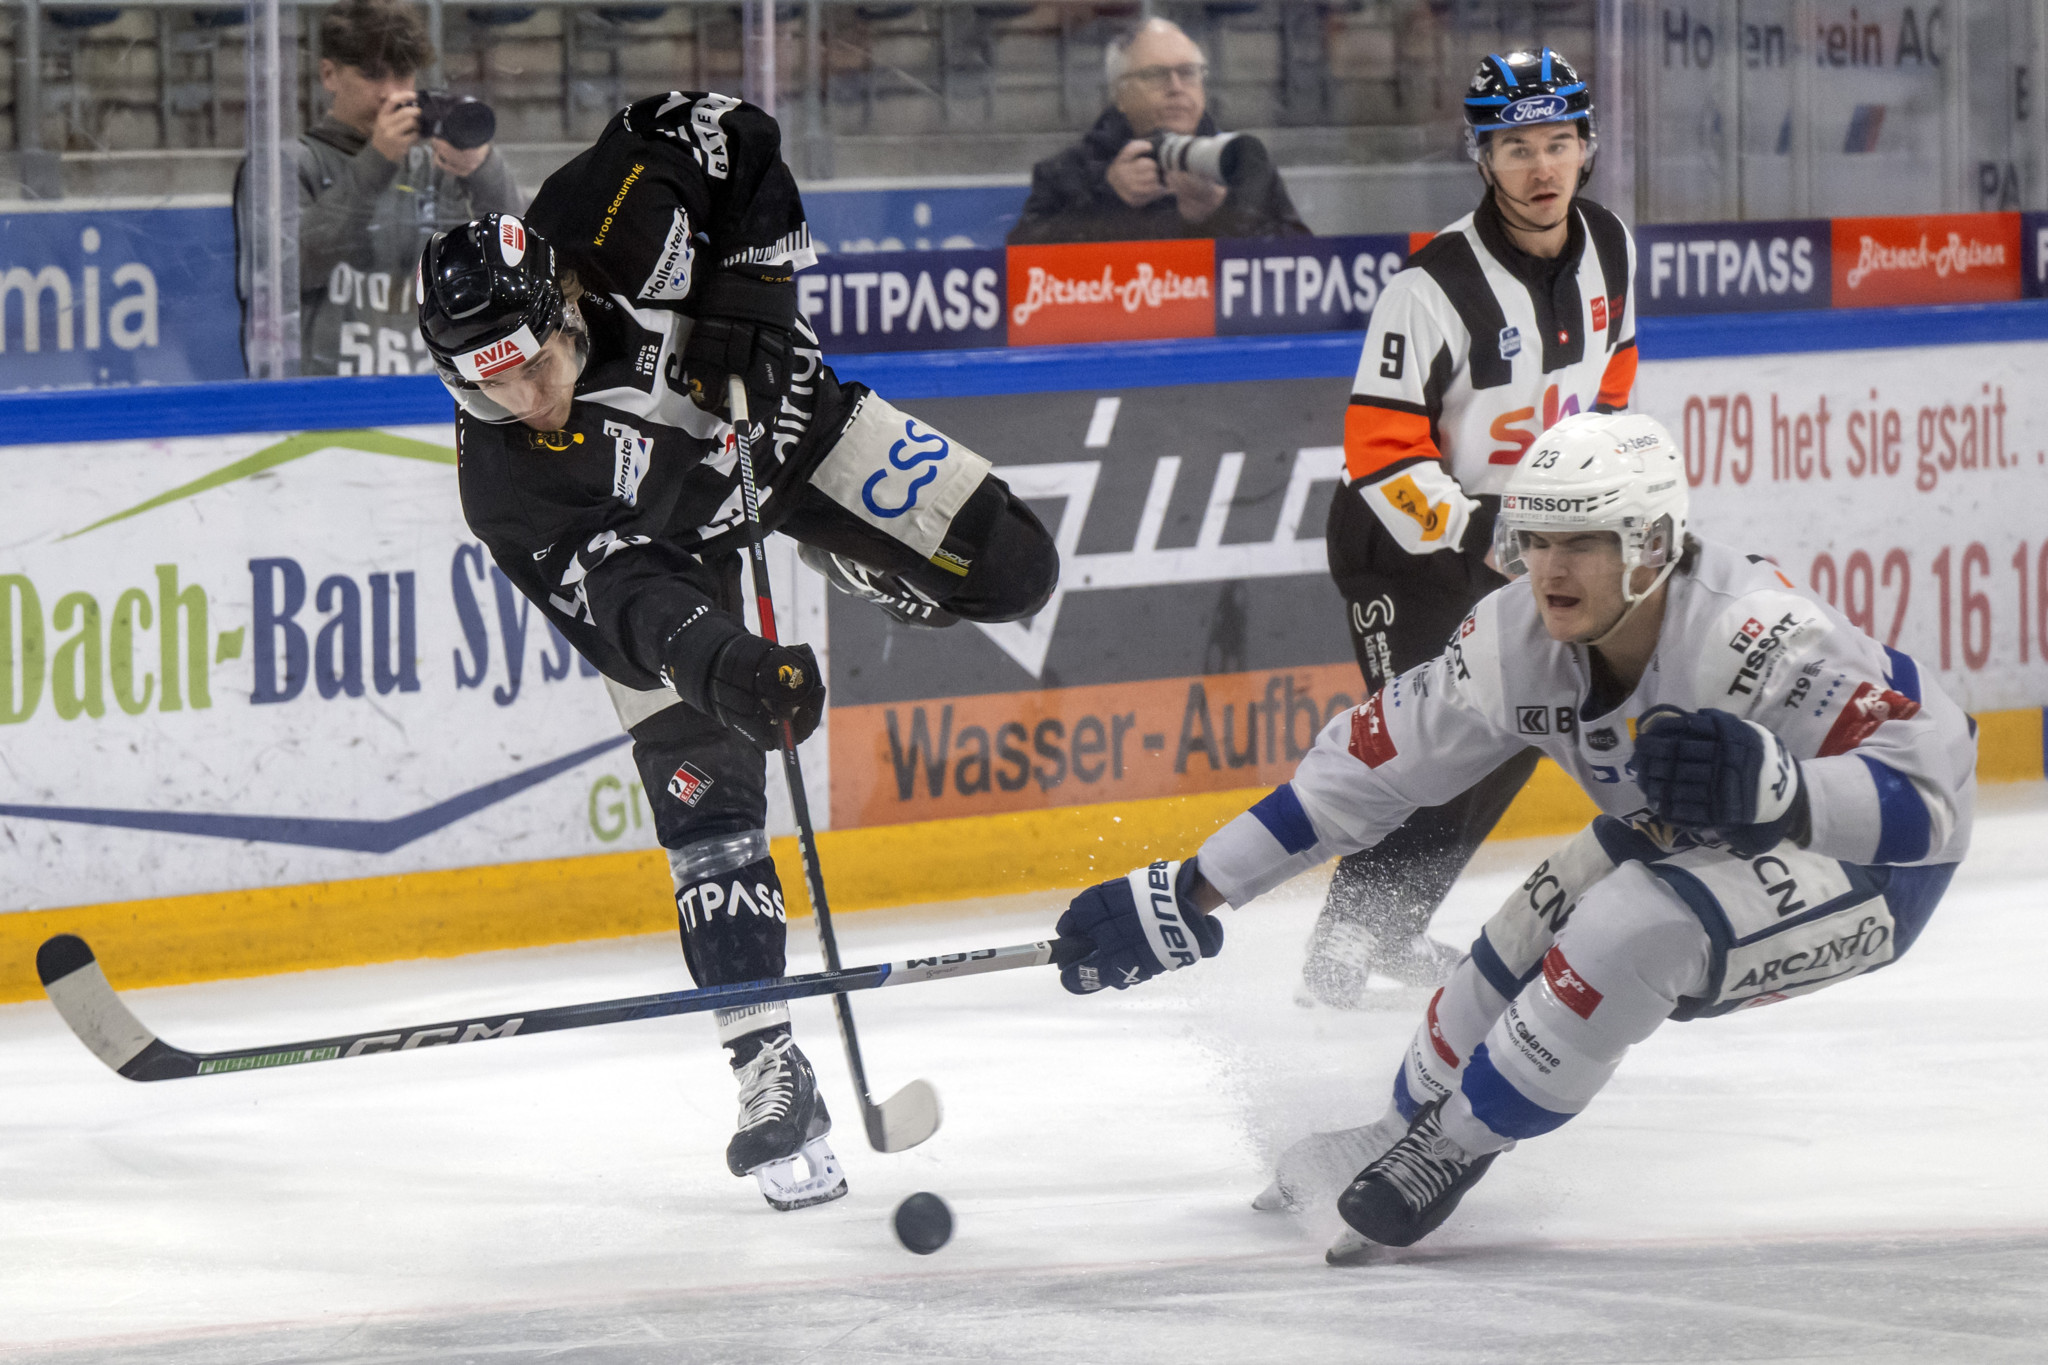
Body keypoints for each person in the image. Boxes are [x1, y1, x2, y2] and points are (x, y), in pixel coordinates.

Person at [1049, 411, 1973, 1257]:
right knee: (1540, 914)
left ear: (1650, 545)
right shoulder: (1510, 638)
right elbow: (1358, 774)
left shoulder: (1755, 637)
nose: (1550, 569)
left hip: (1872, 865)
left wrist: (1787, 791)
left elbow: (1939, 793)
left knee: (1629, 927)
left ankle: (1455, 1144)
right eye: (1534, 539)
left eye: (1581, 540)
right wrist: (1193, 888)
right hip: (1711, 828)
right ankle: (1399, 1125)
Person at [416, 92, 1059, 1210]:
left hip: (793, 435)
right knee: (709, 822)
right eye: (484, 380)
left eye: (530, 359)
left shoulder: (604, 212)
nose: (520, 396)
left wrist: (751, 294)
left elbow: (727, 128)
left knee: (1016, 571)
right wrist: (727, 668)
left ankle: (854, 557)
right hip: (672, 563)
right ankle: (770, 1069)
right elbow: (629, 604)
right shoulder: (508, 483)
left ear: (561, 293)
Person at [1303, 47, 1639, 1006]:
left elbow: (1610, 378)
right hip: (1401, 549)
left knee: (1519, 731)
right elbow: (1379, 451)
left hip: (1522, 543)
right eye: (1516, 146)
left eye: (1559, 143)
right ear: (1482, 158)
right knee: (1431, 746)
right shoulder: (1431, 286)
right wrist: (1477, 529)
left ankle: (1386, 927)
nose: (1542, 167)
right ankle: (1338, 952)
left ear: (1587, 148)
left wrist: (1597, 483)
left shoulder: (1611, 243)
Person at [238, 0, 521, 376]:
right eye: (372, 75)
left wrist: (481, 168)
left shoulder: (436, 166)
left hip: (426, 388)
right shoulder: (285, 166)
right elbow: (288, 276)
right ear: (329, 75)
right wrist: (377, 160)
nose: (391, 93)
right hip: (318, 396)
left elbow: (512, 261)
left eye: (403, 75)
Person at [1006, 18, 1308, 244]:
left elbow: (1306, 266)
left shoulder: (1241, 162)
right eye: (1155, 75)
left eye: (1188, 73)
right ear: (1121, 95)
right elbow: (1021, 269)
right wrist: (1108, 201)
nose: (1176, 88)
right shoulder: (1069, 172)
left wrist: (1221, 213)